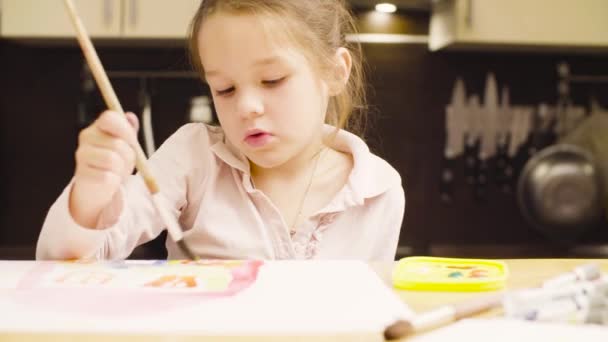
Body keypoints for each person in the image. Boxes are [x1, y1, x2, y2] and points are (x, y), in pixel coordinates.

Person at [36, 0, 405, 261]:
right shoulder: (194, 158)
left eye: (272, 80)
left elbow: (371, 317)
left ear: (335, 72)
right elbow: (63, 262)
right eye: (225, 89)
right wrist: (90, 195)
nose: (245, 107)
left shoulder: (378, 190)